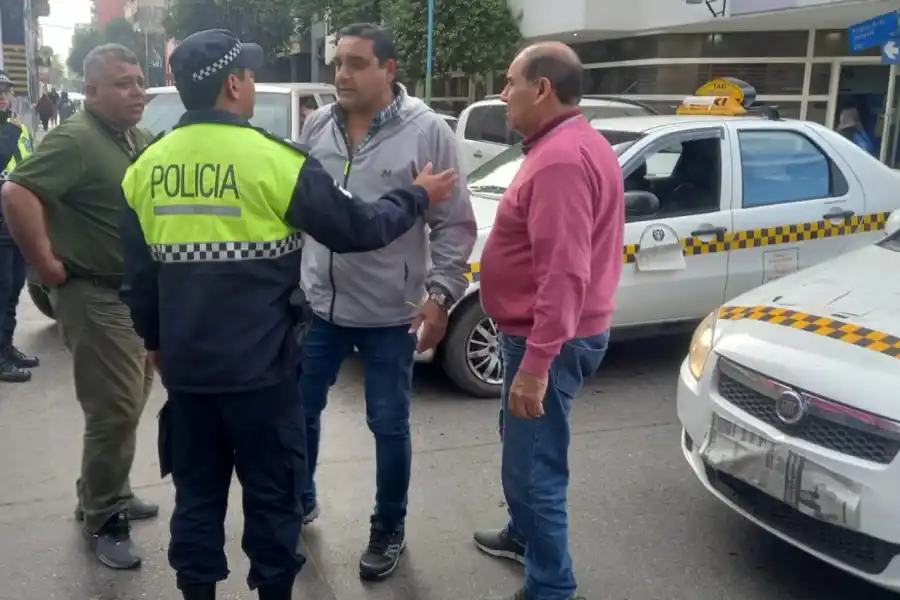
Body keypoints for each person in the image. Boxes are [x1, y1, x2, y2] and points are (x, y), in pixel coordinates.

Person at [119, 29, 458, 600]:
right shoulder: (275, 161)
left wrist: (157, 341)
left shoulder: (145, 169)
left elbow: (141, 281)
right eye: (249, 75)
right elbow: (358, 229)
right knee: (274, 500)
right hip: (263, 374)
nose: (252, 83)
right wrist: (418, 195)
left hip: (190, 374)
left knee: (197, 500)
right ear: (233, 84)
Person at [298, 22, 475, 581]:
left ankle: (388, 525)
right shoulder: (316, 125)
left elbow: (454, 224)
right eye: (337, 64)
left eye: (355, 63)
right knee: (298, 412)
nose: (341, 75)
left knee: (389, 423)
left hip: (389, 312)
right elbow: (297, 208)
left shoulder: (429, 132)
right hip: (318, 305)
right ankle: (298, 499)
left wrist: (441, 296)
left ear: (389, 70)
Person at [472, 42, 625, 600]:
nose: (503, 93)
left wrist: (537, 363)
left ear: (542, 88)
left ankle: (551, 585)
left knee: (534, 470)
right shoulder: (571, 143)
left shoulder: (561, 159)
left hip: (548, 342)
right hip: (544, 337)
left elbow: (565, 273)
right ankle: (524, 537)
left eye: (511, 81)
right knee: (523, 446)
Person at [1, 43, 158, 570]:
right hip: (92, 292)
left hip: (130, 293)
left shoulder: (129, 136)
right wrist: (44, 263)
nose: (136, 91)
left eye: (139, 81)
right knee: (112, 406)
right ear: (90, 91)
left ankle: (103, 488)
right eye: (122, 83)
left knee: (131, 398)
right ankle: (102, 516)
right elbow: (17, 193)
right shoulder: (76, 138)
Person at [0, 70, 38, 383]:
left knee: (13, 288)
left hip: (14, 221)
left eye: (6, 91)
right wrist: (9, 135)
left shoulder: (17, 126)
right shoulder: (10, 130)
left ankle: (7, 347)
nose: (3, 96)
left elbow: (30, 164)